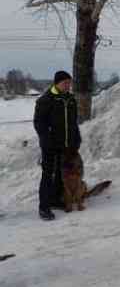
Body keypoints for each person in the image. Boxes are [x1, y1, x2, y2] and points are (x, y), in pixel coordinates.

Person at [33, 70, 81, 221]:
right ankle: (44, 207)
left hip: (66, 146)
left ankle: (55, 200)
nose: (68, 85)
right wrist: (46, 140)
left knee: (62, 174)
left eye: (69, 83)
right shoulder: (46, 100)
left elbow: (73, 123)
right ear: (57, 83)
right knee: (48, 174)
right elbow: (39, 124)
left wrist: (77, 139)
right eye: (65, 83)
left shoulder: (70, 99)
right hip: (50, 145)